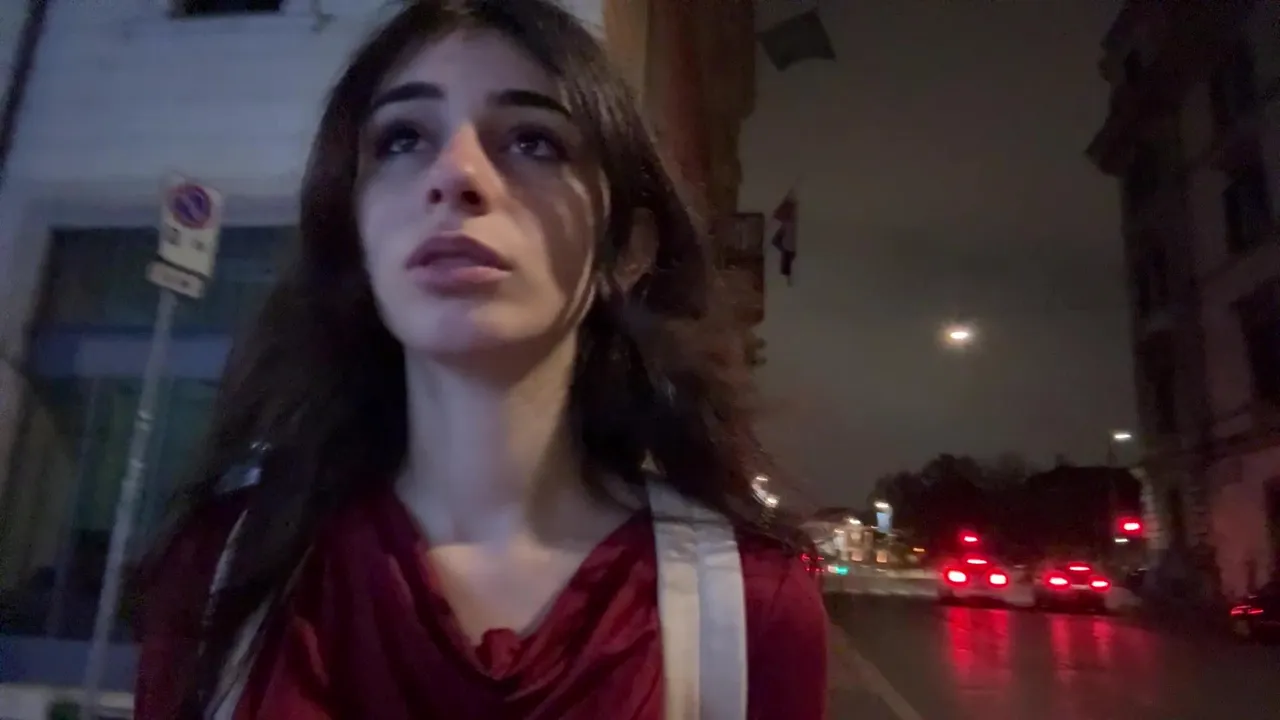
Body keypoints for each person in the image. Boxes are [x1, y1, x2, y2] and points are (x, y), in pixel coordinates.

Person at [133, 1, 828, 718]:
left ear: (627, 250)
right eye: (403, 138)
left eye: (533, 141)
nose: (454, 174)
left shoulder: (749, 604)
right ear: (356, 234)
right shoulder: (221, 571)